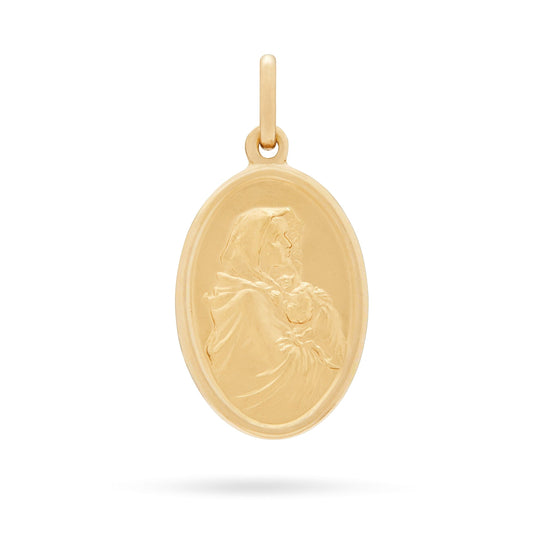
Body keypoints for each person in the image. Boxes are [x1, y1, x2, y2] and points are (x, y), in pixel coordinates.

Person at [205, 207, 345, 424]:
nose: (288, 244)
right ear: (256, 248)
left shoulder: (272, 293)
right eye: (278, 238)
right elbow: (288, 371)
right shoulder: (250, 299)